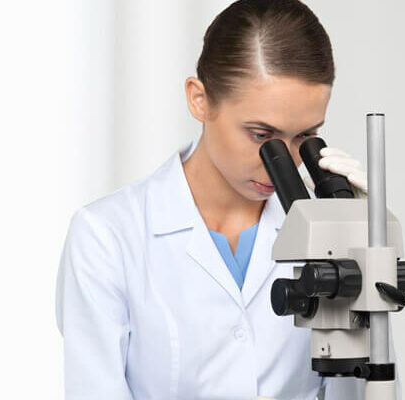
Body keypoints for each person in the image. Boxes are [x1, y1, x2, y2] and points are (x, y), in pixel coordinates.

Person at [55, 1, 370, 398]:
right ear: (199, 99)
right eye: (261, 135)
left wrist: (361, 250)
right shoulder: (107, 237)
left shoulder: (325, 232)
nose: (283, 161)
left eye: (305, 137)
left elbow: (356, 389)